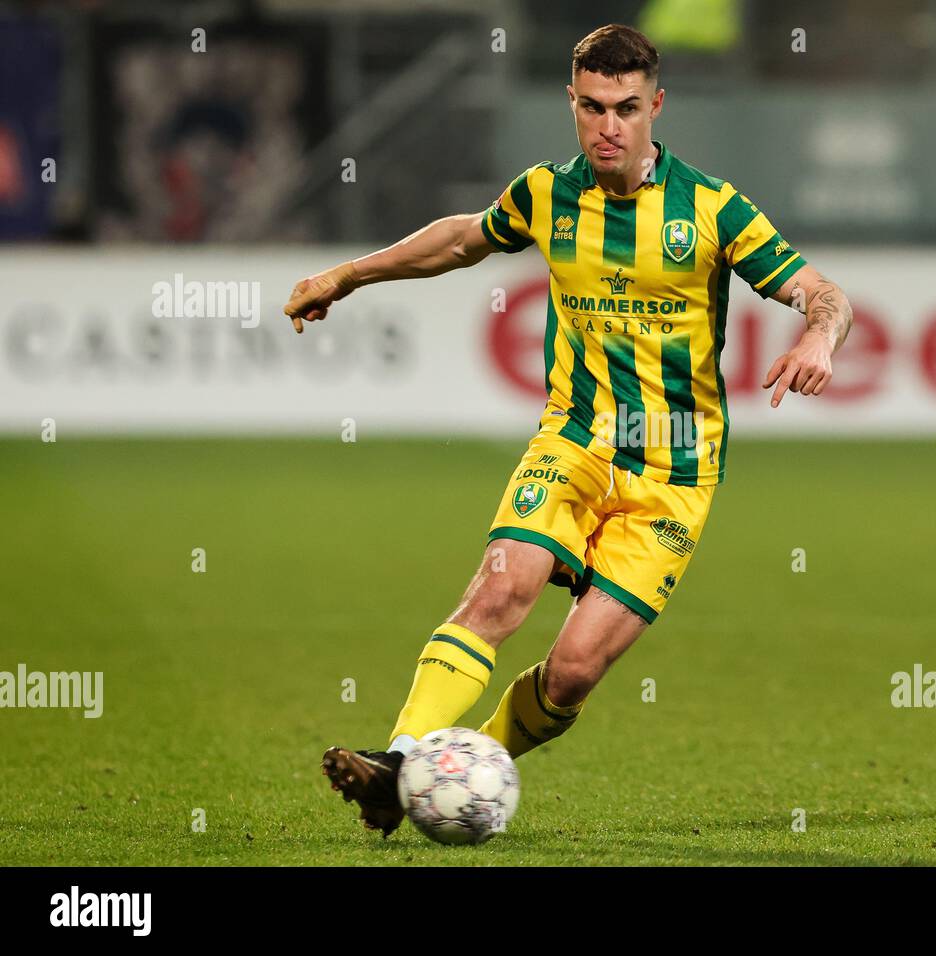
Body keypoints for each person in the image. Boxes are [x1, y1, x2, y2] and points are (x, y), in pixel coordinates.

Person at [283, 23, 853, 837]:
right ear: (572, 105)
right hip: (575, 439)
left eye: (625, 108)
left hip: (674, 474)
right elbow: (462, 238)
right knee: (502, 585)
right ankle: (402, 761)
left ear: (655, 104)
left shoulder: (714, 209)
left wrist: (820, 334)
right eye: (591, 107)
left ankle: (446, 773)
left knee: (576, 672)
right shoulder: (548, 194)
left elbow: (822, 291)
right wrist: (347, 274)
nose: (607, 127)